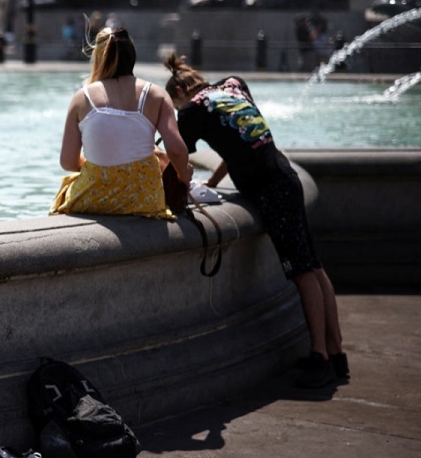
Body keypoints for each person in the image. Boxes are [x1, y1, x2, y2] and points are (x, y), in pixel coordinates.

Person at [164, 54, 348, 388]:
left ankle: (319, 357)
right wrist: (215, 183)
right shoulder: (233, 84)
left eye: (175, 102)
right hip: (284, 175)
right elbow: (240, 142)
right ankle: (337, 354)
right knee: (315, 267)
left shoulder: (191, 111)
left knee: (302, 272)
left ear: (179, 92)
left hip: (268, 189)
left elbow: (178, 159)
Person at [51, 27, 192, 219]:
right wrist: (183, 178)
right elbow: (176, 149)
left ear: (98, 58)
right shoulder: (156, 94)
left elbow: (67, 161)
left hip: (94, 198)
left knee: (65, 190)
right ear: (131, 55)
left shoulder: (82, 98)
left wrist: (101, 167)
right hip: (145, 198)